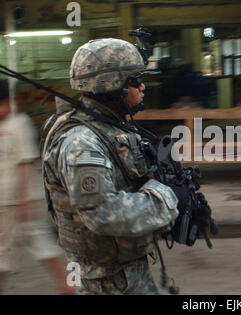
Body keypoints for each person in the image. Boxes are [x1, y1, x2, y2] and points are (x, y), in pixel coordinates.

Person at [41, 38, 180, 295]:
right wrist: (165, 199)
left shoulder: (108, 127)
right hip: (106, 282)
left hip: (123, 273)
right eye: (134, 80)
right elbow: (103, 213)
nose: (143, 86)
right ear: (112, 85)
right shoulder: (81, 143)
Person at [0, 79, 74, 295]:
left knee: (43, 246)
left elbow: (25, 163)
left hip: (25, 200)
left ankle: (68, 285)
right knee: (3, 251)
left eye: (4, 104)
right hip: (4, 202)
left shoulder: (18, 124)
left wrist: (24, 200)